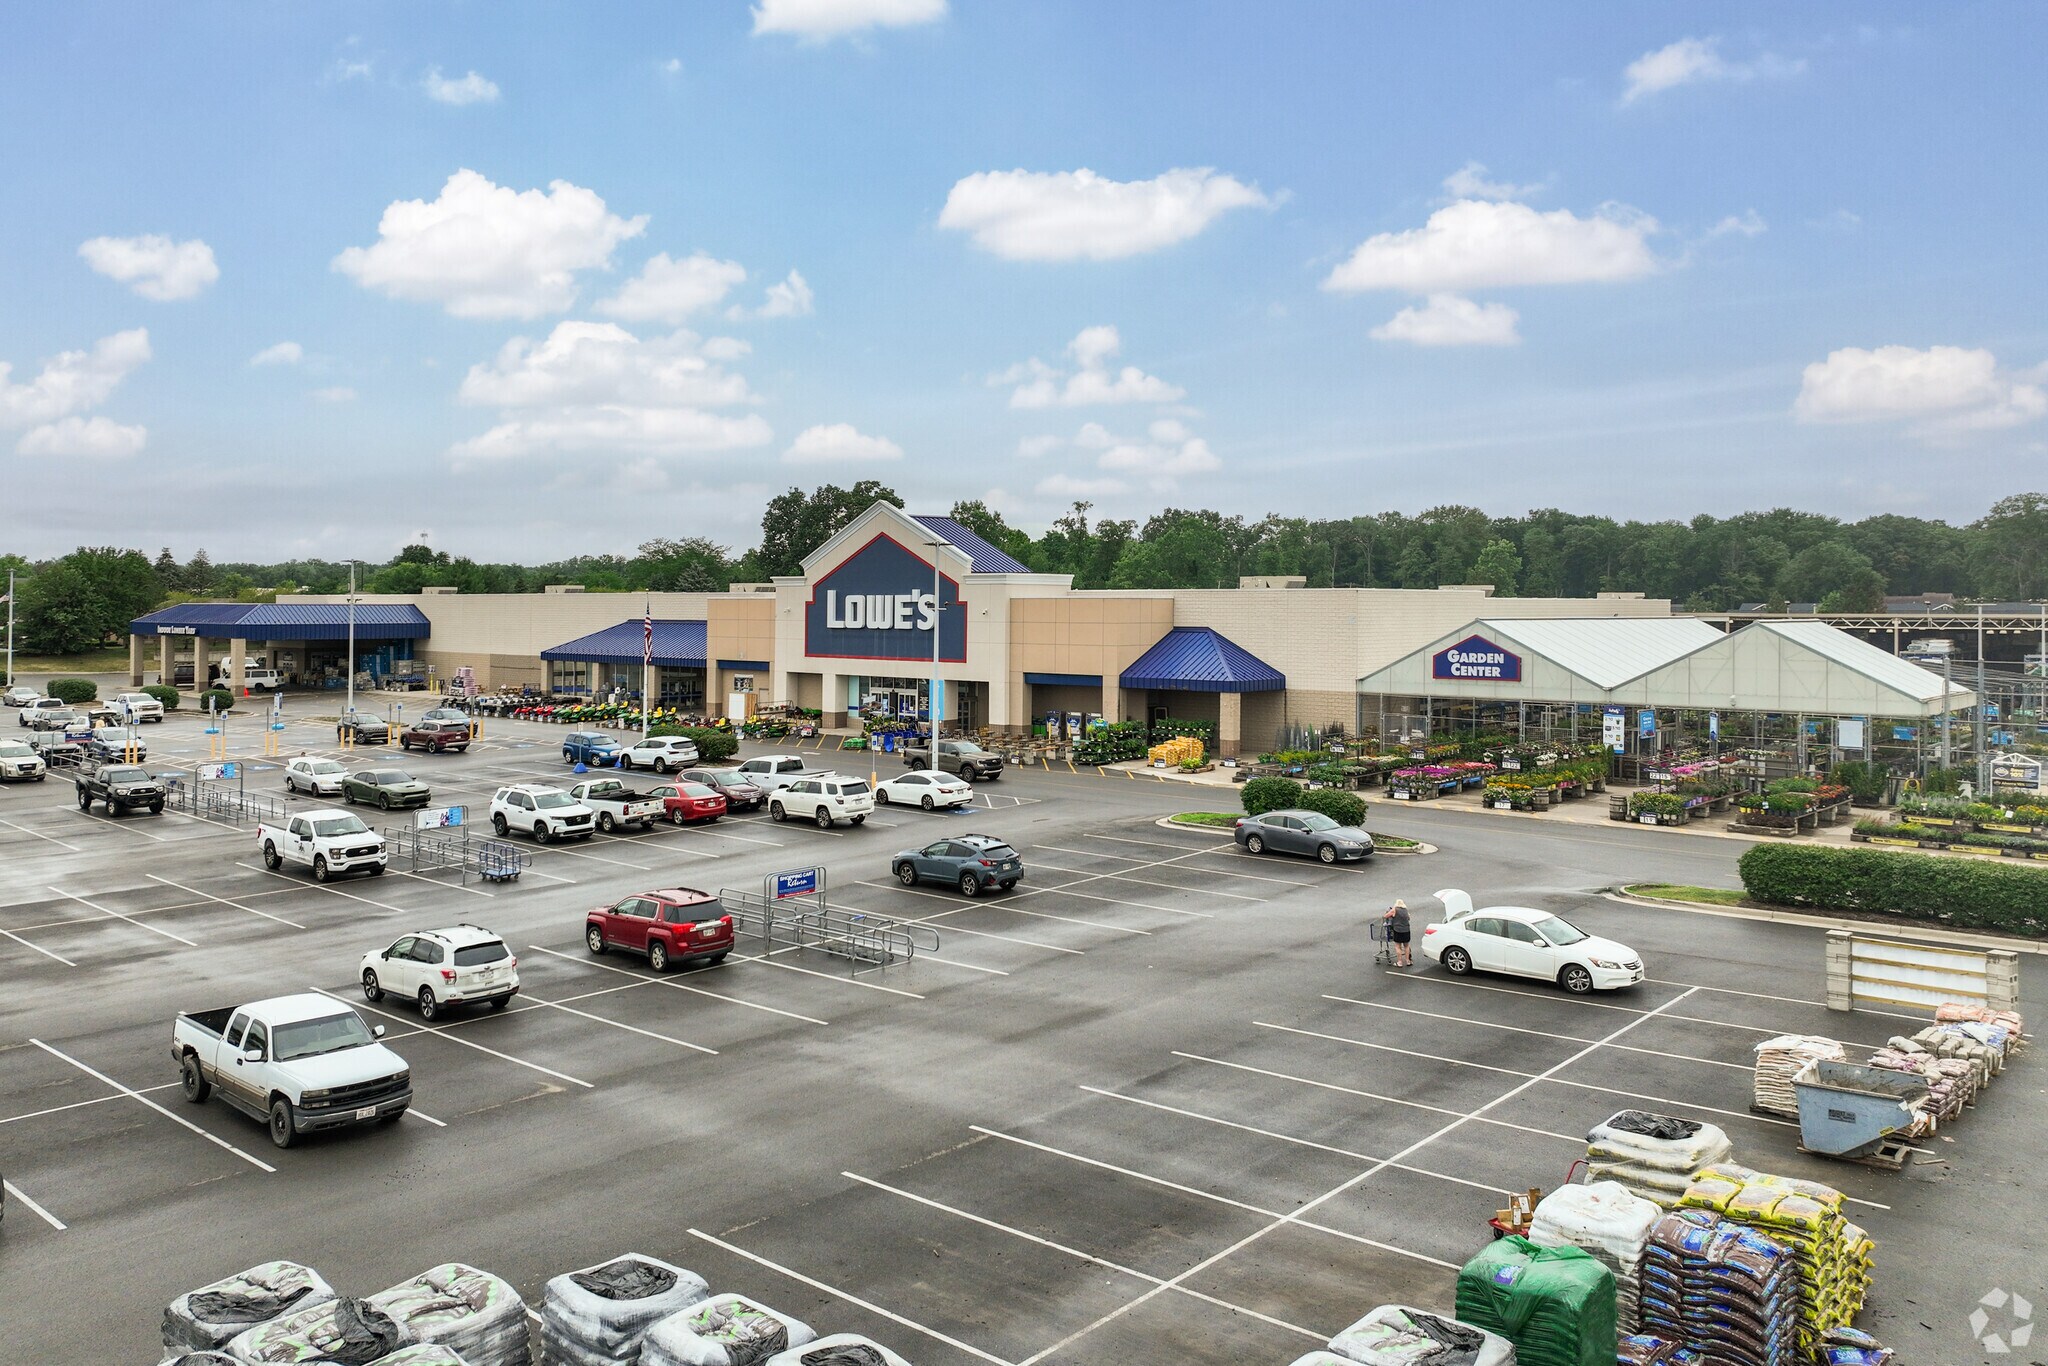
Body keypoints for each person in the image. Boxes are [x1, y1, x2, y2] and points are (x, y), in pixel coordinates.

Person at [1384, 899, 1412, 967]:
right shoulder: (1405, 910)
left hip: (1398, 930)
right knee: (1406, 946)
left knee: (1398, 947)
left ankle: (1399, 962)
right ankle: (1408, 961)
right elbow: (1408, 918)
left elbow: (1385, 916)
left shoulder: (1395, 909)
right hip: (1406, 930)